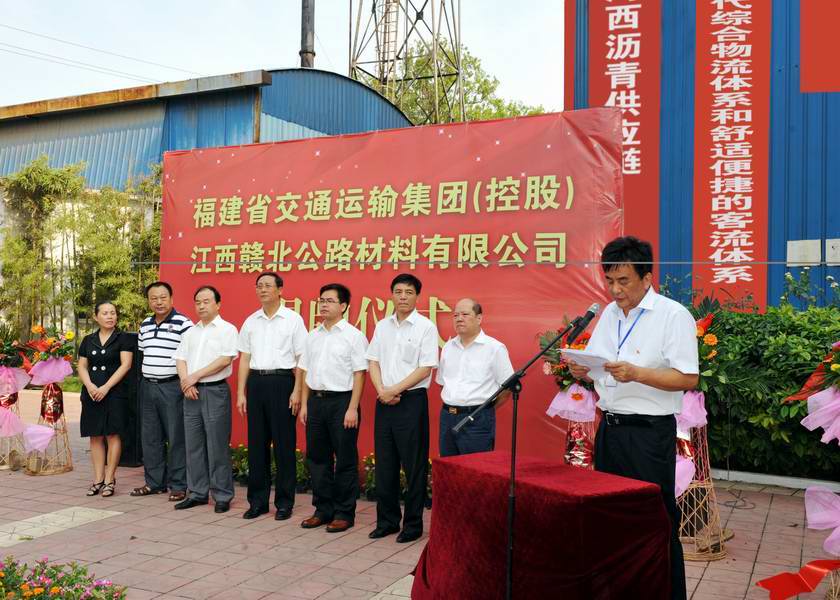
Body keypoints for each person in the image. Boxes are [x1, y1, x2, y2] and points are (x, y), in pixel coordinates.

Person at [568, 236, 699, 600]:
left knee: (654, 521)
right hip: (610, 429)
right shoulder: (609, 315)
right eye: (610, 281)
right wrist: (583, 370)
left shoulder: (673, 315)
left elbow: (688, 377)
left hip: (648, 435)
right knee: (610, 518)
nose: (615, 290)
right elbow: (600, 365)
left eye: (623, 281)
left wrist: (637, 373)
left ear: (646, 277)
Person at [366, 273, 439, 543]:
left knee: (414, 465)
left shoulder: (426, 327)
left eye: (409, 292)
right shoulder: (382, 326)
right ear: (392, 295)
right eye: (398, 292)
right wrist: (382, 390)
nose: (403, 297)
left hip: (411, 401)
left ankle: (413, 525)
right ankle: (387, 521)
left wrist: (394, 390)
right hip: (384, 400)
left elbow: (425, 368)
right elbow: (373, 361)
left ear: (417, 296)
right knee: (385, 463)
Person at [298, 283, 368, 533]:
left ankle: (344, 513)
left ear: (343, 306)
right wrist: (305, 404)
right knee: (317, 458)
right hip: (316, 402)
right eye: (321, 300)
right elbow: (305, 371)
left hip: (343, 402)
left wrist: (352, 408)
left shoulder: (354, 336)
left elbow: (359, 374)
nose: (324, 305)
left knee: (345, 459)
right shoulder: (312, 336)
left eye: (330, 301)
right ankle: (322, 509)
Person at [237, 272, 307, 520]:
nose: (263, 289)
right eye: (259, 286)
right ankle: (257, 502)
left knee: (284, 445)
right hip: (256, 383)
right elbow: (244, 359)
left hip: (283, 382)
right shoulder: (251, 321)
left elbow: (302, 358)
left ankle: (285, 503)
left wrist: (297, 390)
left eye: (268, 285)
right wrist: (241, 392)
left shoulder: (293, 320)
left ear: (280, 290)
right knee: (257, 445)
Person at [172, 286, 239, 513]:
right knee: (193, 445)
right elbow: (180, 359)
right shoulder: (190, 332)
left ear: (218, 304)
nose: (201, 306)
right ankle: (197, 493)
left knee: (217, 445)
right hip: (191, 393)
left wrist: (195, 377)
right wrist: (186, 382)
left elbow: (225, 360)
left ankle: (222, 495)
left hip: (214, 391)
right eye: (198, 302)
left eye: (206, 301)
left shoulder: (227, 329)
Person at [131, 281, 193, 502]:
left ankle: (178, 485)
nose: (158, 302)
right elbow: (142, 354)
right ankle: (154, 483)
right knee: (150, 437)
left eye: (163, 297)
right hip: (148, 387)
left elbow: (191, 356)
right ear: (149, 301)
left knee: (176, 437)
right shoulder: (145, 324)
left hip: (172, 387)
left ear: (171, 298)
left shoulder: (184, 323)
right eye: (154, 298)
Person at [436, 299, 514, 457]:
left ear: (479, 318)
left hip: (477, 420)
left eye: (465, 314)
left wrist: (484, 410)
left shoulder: (494, 348)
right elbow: (443, 383)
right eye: (456, 315)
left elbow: (508, 388)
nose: (459, 319)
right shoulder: (448, 347)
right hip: (447, 417)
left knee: (476, 467)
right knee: (448, 466)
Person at [77, 301, 134, 497]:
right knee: (95, 436)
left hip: (115, 393)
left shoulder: (123, 338)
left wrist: (106, 387)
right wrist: (90, 386)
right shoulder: (88, 340)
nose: (110, 316)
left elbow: (126, 365)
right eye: (105, 313)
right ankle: (98, 479)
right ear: (96, 317)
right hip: (92, 393)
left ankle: (110, 479)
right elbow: (82, 366)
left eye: (113, 313)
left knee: (112, 434)